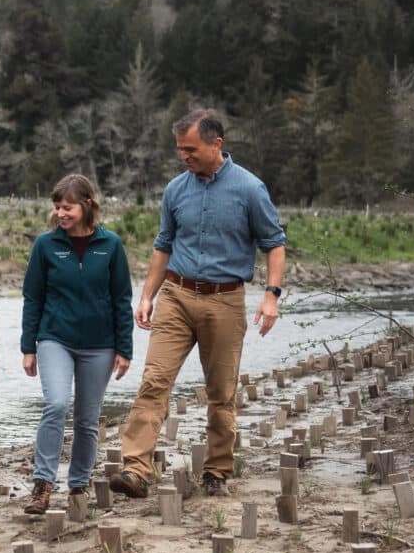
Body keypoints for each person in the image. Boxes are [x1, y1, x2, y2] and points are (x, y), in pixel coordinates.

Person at [110, 109, 286, 500]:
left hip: (225, 300)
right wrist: (147, 296)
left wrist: (271, 296)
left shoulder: (250, 189)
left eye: (191, 149)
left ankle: (217, 472)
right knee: (155, 381)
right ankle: (136, 468)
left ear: (216, 143)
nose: (184, 156)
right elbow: (163, 245)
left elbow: (274, 244)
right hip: (176, 295)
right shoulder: (175, 190)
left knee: (220, 391)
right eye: (180, 150)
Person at [20, 174, 133, 513]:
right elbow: (32, 297)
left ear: (86, 205)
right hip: (55, 338)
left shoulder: (110, 245)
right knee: (55, 404)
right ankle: (42, 484)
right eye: (57, 207)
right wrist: (28, 347)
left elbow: (121, 299)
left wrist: (125, 349)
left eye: (67, 207)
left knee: (87, 419)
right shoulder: (45, 245)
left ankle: (79, 485)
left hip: (100, 345)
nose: (61, 214)